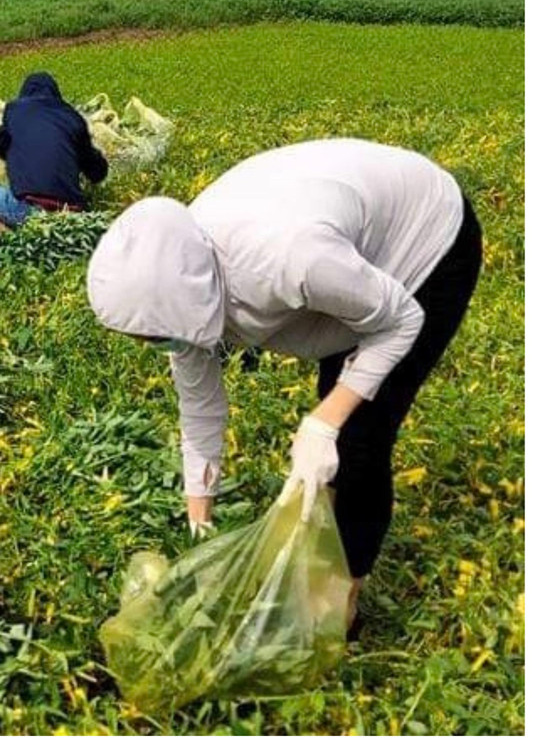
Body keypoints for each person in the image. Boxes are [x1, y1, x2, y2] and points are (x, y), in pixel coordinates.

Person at [86, 138, 481, 632]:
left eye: (150, 335)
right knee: (341, 405)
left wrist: (325, 420)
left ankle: (340, 608)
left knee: (359, 435)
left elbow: (401, 320)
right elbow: (201, 408)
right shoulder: (180, 282)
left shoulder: (290, 259)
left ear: (183, 301)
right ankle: (323, 535)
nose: (152, 345)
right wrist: (200, 517)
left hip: (427, 244)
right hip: (347, 258)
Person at [0, 71, 109, 232]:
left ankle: (9, 234)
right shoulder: (73, 117)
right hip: (75, 215)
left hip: (27, 212)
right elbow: (97, 172)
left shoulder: (15, 110)